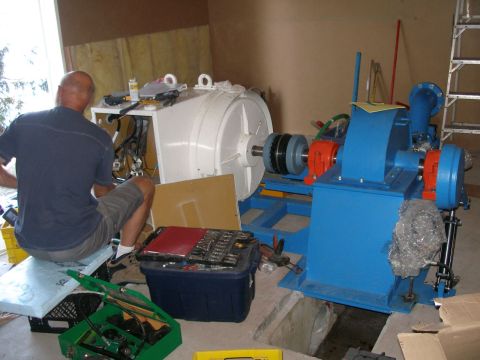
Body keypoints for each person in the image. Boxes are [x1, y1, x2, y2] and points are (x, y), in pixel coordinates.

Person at [0, 71, 154, 284]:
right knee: (144, 184)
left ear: (59, 93)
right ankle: (123, 260)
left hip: (29, 243)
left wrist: (24, 185)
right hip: (75, 245)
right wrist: (123, 214)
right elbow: (103, 194)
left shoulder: (24, 123)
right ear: (89, 100)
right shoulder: (99, 138)